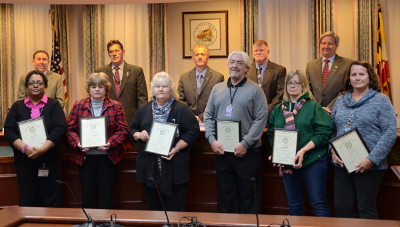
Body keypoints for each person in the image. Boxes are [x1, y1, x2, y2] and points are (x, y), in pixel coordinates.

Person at [330, 61, 397, 219]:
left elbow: (390, 133)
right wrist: (332, 150)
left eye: (362, 74)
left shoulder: (381, 100)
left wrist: (371, 159)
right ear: (349, 78)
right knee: (342, 208)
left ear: (369, 77)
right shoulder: (340, 101)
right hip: (342, 165)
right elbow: (332, 130)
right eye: (354, 74)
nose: (357, 78)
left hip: (369, 167)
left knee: (366, 209)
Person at [204, 51, 268, 213]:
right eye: (232, 62)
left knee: (249, 197)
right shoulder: (217, 89)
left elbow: (261, 119)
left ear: (247, 68)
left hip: (247, 152)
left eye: (240, 63)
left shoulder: (255, 90)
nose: (235, 66)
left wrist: (245, 143)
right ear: (227, 65)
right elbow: (208, 116)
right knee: (226, 196)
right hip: (222, 152)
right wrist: (212, 139)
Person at [130, 72, 200, 211]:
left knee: (175, 209)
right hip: (149, 167)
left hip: (174, 166)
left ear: (171, 89)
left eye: (164, 86)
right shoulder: (144, 109)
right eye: (157, 86)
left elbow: (193, 131)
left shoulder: (181, 108)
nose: (160, 89)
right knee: (154, 209)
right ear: (152, 90)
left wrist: (177, 148)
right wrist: (139, 134)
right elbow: (132, 129)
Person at [267, 70, 332, 217]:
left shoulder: (314, 107)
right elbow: (272, 134)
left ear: (303, 86)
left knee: (318, 204)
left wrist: (302, 151)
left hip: (313, 162)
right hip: (288, 163)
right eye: (290, 82)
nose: (293, 85)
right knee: (294, 204)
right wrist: (276, 152)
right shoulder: (278, 110)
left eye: (297, 82)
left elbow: (323, 134)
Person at [66, 72, 128, 209]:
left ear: (106, 88)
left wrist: (110, 143)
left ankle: (106, 222)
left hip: (108, 157)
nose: (97, 89)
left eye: (101, 86)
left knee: (106, 194)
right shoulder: (78, 105)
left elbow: (123, 130)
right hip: (85, 157)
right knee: (87, 194)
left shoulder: (116, 106)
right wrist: (77, 143)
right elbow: (70, 129)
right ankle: (90, 222)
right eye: (93, 86)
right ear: (88, 88)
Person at [4, 70, 65, 207]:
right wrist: (25, 148)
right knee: (27, 197)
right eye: (31, 83)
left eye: (39, 83)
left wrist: (42, 150)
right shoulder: (17, 106)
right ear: (26, 87)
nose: (35, 86)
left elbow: (59, 129)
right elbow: (9, 130)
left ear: (45, 86)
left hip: (49, 160)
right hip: (24, 160)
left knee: (51, 196)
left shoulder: (54, 105)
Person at [95, 40, 148, 126]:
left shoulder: (136, 71)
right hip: (107, 119)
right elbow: (95, 96)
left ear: (123, 52)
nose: (114, 54)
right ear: (108, 54)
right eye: (111, 51)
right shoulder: (100, 72)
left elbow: (142, 98)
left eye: (117, 50)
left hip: (131, 119)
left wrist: (142, 119)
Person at [306, 31, 353, 114]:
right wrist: (317, 107)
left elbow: (347, 90)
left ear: (336, 46)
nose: (326, 46)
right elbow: (307, 90)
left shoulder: (347, 64)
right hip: (315, 112)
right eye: (324, 43)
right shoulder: (311, 65)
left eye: (330, 44)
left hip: (337, 112)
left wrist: (329, 107)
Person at [178, 44, 224, 122]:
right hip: (188, 121)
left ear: (208, 57)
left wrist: (201, 117)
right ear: (192, 58)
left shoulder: (218, 77)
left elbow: (219, 101)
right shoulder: (184, 78)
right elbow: (181, 101)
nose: (200, 57)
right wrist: (192, 117)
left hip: (210, 121)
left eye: (202, 54)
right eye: (197, 55)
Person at [246, 40, 286, 115]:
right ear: (252, 53)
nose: (258, 53)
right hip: (250, 115)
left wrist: (265, 111)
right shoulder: (246, 70)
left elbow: (280, 95)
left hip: (271, 115)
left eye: (261, 50)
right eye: (256, 51)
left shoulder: (279, 70)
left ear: (268, 52)